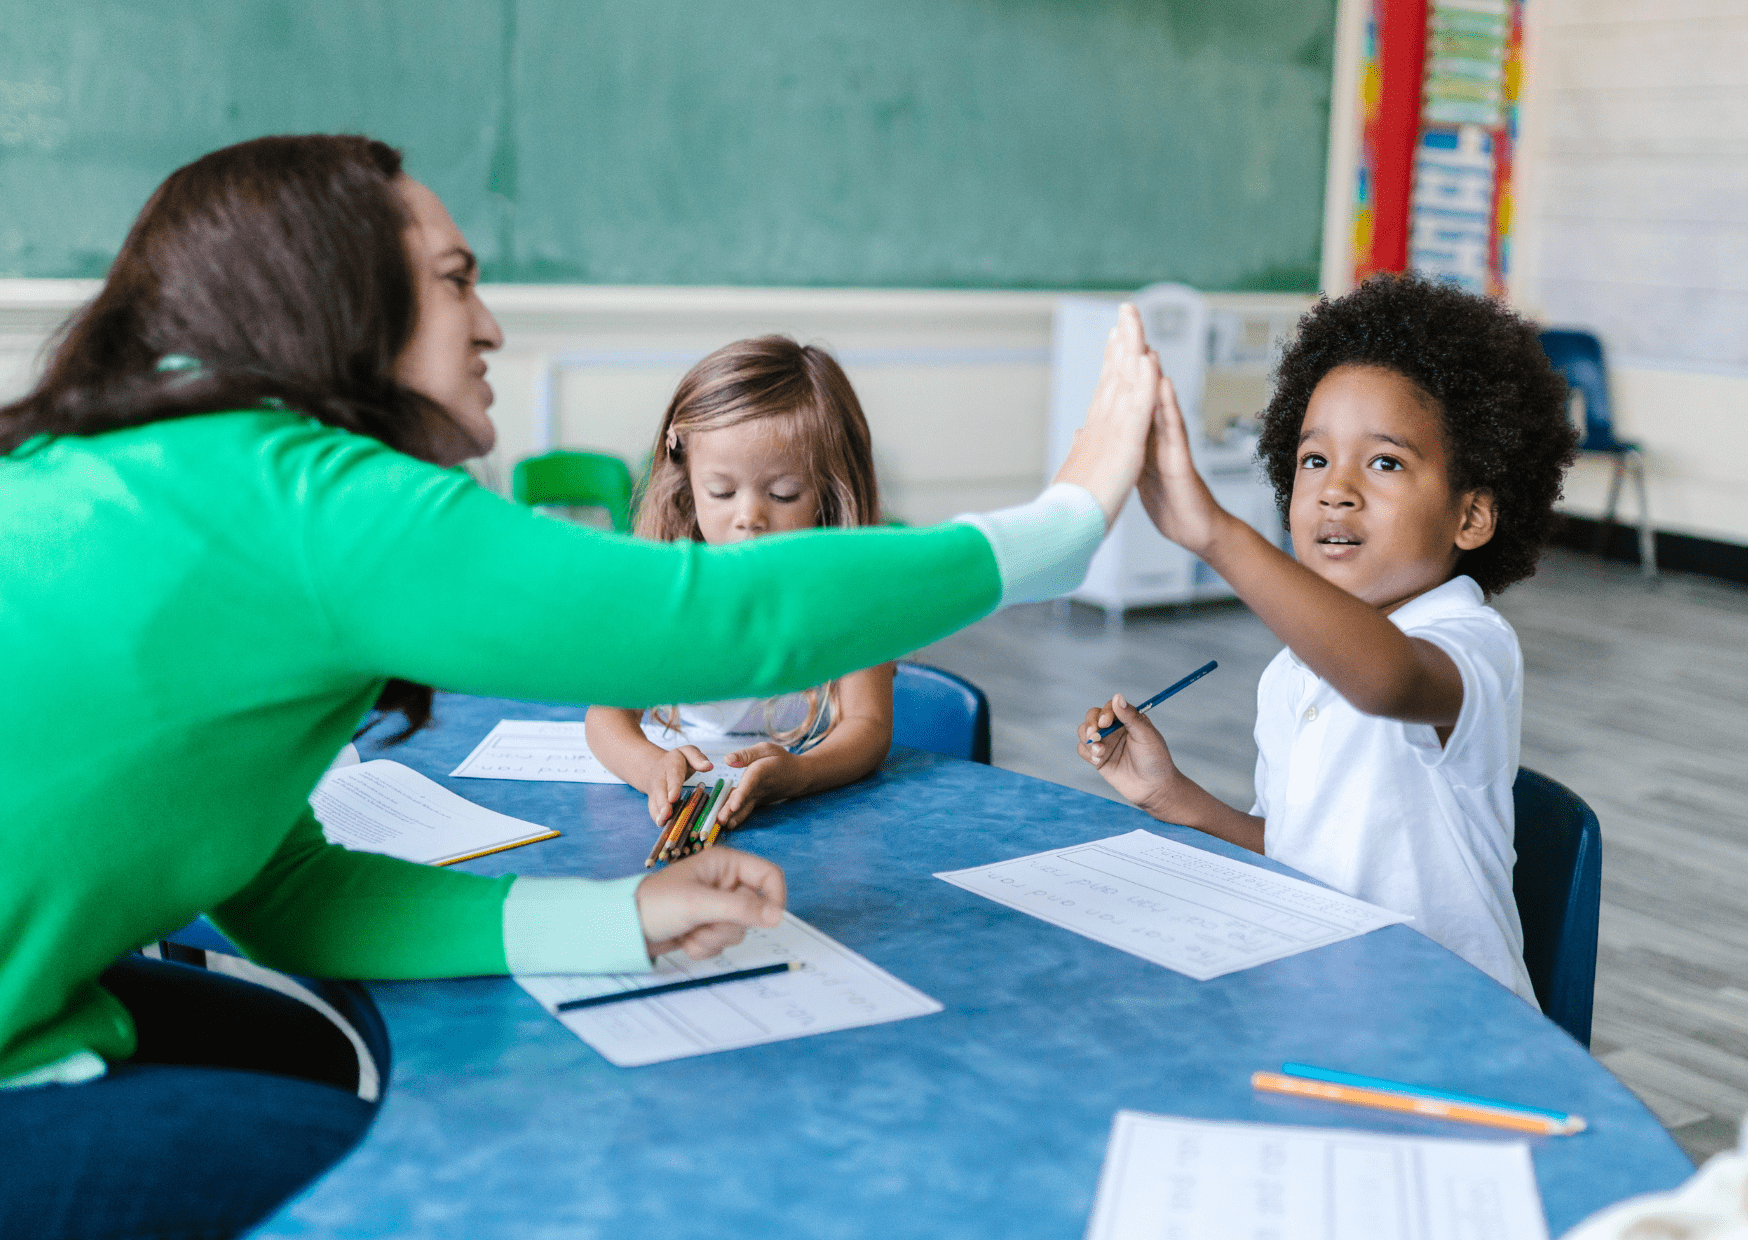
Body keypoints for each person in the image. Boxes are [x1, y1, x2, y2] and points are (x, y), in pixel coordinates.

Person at [0, 134, 1162, 1239]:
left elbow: (286, 890)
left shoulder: (168, 466)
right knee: (438, 1183)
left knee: (324, 1073)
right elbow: (717, 617)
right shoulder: (302, 496)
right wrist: (1059, 523)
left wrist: (621, 916)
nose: (493, 324)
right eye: (458, 281)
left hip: (42, 1005)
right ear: (343, 302)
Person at [1078, 274, 1577, 1004]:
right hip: (1327, 999)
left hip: (1452, 1029)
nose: (1336, 489)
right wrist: (1173, 796)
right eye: (1314, 459)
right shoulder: (1293, 674)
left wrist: (1216, 535)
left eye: (1385, 462)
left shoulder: (1472, 642)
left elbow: (1388, 680)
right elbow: (1295, 856)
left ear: (1469, 517)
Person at [586, 337, 895, 833]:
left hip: (814, 816)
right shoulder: (669, 588)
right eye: (722, 491)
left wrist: (800, 773)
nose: (750, 517)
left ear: (828, 491)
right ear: (687, 479)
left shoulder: (854, 596)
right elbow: (606, 720)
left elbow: (869, 727)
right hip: (691, 805)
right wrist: (651, 767)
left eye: (783, 493)